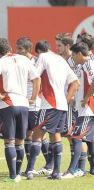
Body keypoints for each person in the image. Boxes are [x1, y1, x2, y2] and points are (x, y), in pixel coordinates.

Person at [25, 40, 79, 180]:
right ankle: (56, 172)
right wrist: (66, 100)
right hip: (61, 105)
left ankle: (29, 170)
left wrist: (32, 95)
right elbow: (75, 82)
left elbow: (34, 76)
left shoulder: (43, 57)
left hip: (48, 103)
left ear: (39, 52)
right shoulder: (61, 59)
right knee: (55, 136)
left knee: (37, 135)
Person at [0, 38, 40, 183]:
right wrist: (33, 97)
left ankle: (13, 176)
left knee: (9, 142)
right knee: (20, 141)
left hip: (8, 103)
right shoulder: (24, 60)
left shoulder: (0, 61)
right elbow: (37, 79)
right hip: (24, 103)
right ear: (10, 48)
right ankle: (17, 173)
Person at [16, 37, 53, 176]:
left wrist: (34, 97)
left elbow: (40, 81)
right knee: (27, 135)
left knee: (38, 135)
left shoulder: (36, 61)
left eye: (20, 48)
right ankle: (30, 166)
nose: (17, 51)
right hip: (24, 103)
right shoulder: (20, 61)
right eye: (17, 48)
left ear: (27, 50)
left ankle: (49, 163)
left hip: (35, 103)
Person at [55, 33, 87, 177]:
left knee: (73, 135)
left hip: (73, 103)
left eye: (59, 46)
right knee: (72, 134)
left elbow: (77, 81)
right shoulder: (64, 60)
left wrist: (72, 97)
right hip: (69, 102)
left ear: (67, 46)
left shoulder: (73, 61)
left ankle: (78, 168)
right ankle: (80, 167)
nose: (57, 48)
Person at [62, 42, 94, 178]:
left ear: (80, 54)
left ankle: (71, 171)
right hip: (83, 108)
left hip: (88, 108)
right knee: (90, 139)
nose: (72, 57)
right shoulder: (82, 65)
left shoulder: (88, 63)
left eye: (74, 55)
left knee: (76, 136)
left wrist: (86, 97)